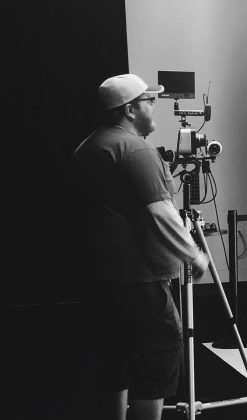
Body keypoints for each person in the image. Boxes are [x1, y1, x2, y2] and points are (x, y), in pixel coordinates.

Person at [71, 74, 209, 420]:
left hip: (100, 278)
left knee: (112, 361)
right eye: (149, 101)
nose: (153, 107)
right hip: (141, 281)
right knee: (157, 359)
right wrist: (193, 253)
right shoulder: (135, 148)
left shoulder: (88, 146)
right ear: (130, 110)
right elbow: (160, 213)